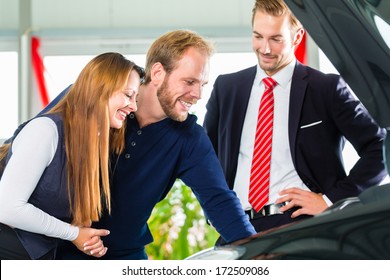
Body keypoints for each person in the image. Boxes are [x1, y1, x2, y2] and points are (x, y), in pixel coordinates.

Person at [24, 30, 255, 260]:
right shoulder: (96, 96)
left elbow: (220, 202)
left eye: (202, 84)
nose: (198, 94)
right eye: (189, 82)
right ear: (157, 73)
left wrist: (260, 255)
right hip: (59, 248)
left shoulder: (190, 138)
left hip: (126, 256)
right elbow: (26, 145)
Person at [203, 0, 388, 235]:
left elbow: (379, 147)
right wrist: (213, 211)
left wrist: (333, 200)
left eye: (276, 39)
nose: (265, 48)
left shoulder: (326, 88)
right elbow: (205, 159)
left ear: (297, 36)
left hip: (302, 225)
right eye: (258, 36)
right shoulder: (227, 88)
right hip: (236, 228)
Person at [0, 52, 144, 259]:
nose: (134, 107)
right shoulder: (45, 130)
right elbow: (7, 208)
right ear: (99, 90)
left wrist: (83, 236)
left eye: (136, 98)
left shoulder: (91, 144)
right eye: (129, 95)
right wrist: (74, 234)